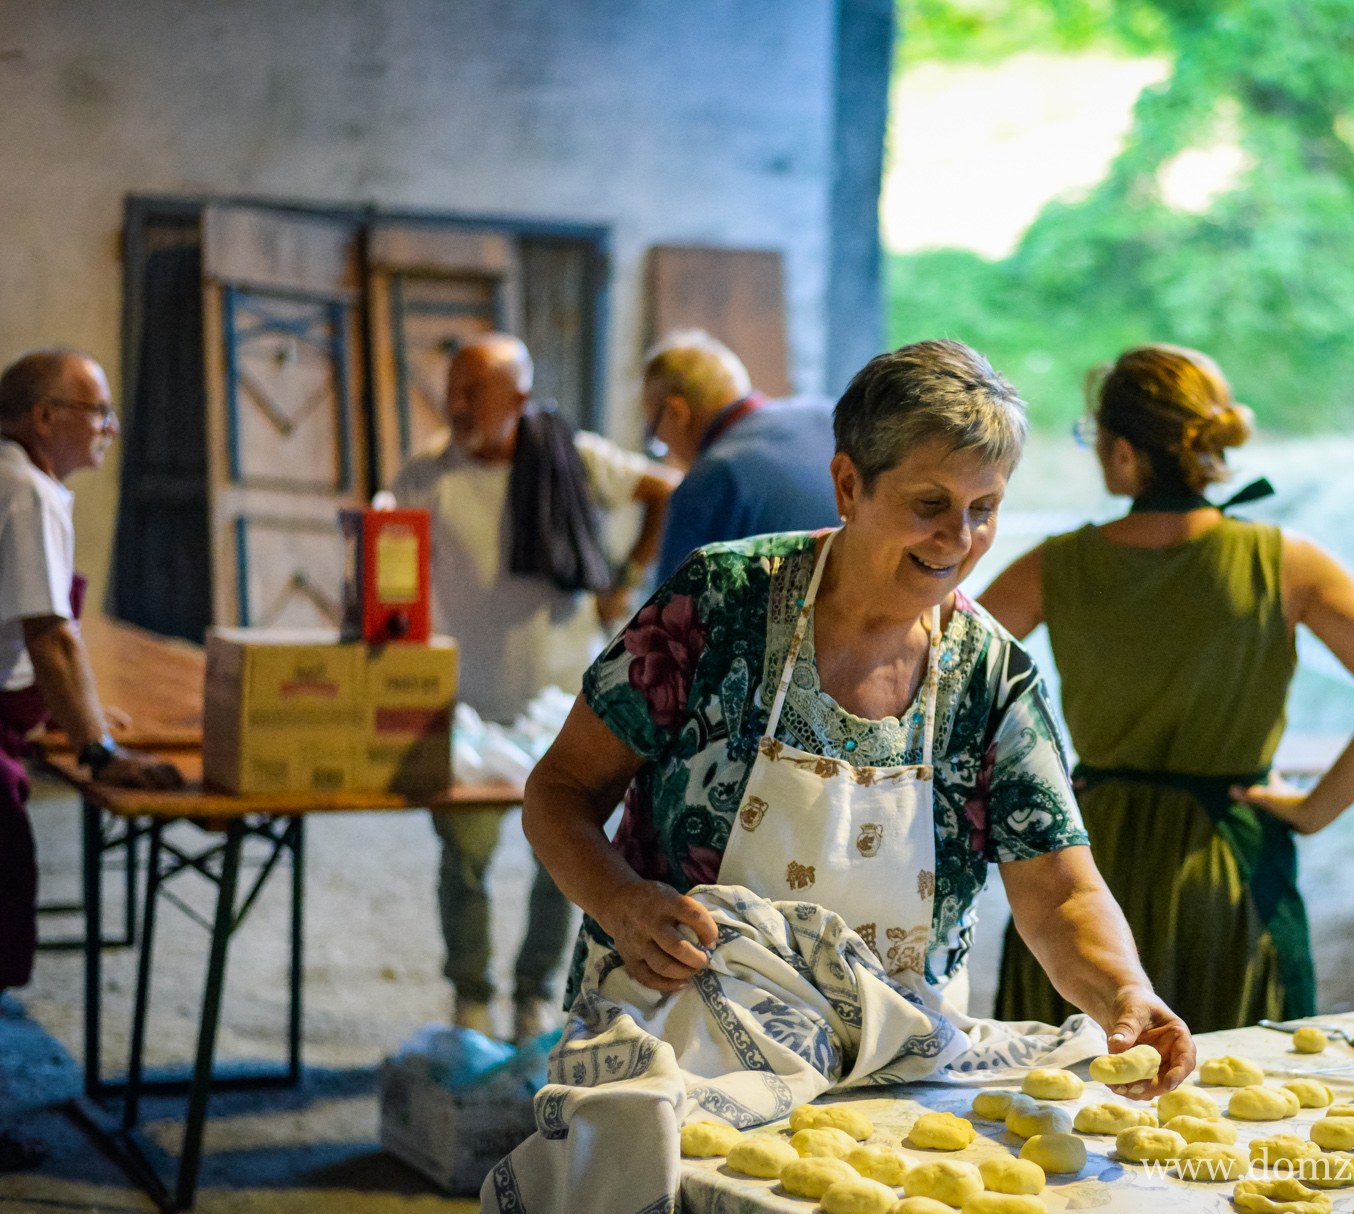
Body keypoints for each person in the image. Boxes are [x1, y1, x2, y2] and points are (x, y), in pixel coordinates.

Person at [522, 339, 1194, 1091]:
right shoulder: (718, 604)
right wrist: (620, 901)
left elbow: (1060, 890)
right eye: (929, 504)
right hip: (678, 1054)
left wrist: (1124, 991)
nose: (959, 538)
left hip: (894, 1072)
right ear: (848, 484)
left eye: (986, 508)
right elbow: (560, 790)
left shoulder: (990, 678)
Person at [981, 344, 1354, 1033]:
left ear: (1125, 454)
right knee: (1236, 1104)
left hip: (1084, 870)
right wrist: (1314, 809)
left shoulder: (1055, 564)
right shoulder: (1286, 562)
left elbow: (947, 671)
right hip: (1228, 867)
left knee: (1066, 1100)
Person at [391, 334, 679, 1042]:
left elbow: (666, 490)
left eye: (474, 393)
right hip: (465, 701)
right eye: (453, 389)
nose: (456, 405)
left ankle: (531, 993)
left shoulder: (571, 458)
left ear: (518, 400)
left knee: (566, 853)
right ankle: (470, 997)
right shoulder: (423, 475)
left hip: (563, 702)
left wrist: (626, 582)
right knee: (465, 855)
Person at [0, 349, 180, 995]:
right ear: (46, 416)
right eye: (99, 410)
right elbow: (50, 635)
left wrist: (76, 708)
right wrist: (98, 750)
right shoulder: (25, 491)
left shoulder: (19, 478)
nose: (111, 426)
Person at [644, 330, 840, 583]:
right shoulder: (827, 414)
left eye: (654, 431)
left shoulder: (709, 479)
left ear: (675, 412)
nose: (665, 449)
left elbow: (670, 618)